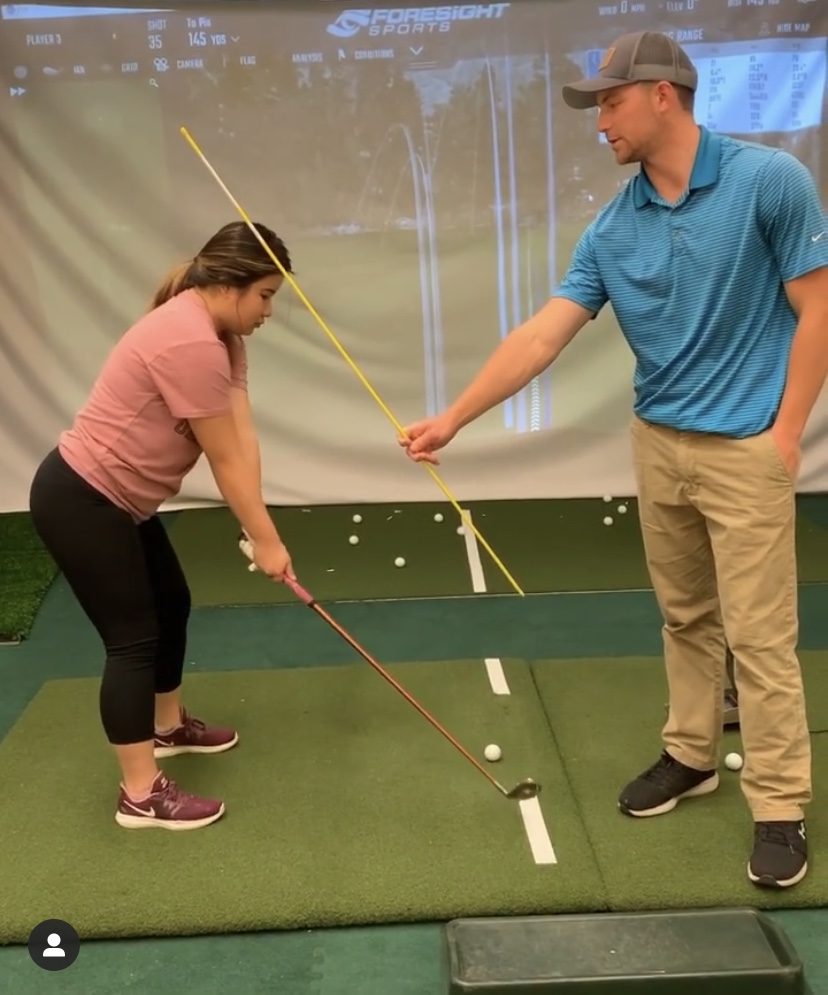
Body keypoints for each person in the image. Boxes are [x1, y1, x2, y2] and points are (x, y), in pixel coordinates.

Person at [400, 30, 828, 888]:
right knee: (685, 618)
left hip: (746, 449)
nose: (599, 121)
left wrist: (784, 436)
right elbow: (541, 336)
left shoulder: (768, 181)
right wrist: (454, 416)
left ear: (663, 93)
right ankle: (693, 755)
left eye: (609, 101)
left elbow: (816, 309)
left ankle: (780, 805)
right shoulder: (612, 226)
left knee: (761, 637)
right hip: (658, 445)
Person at [29, 220, 296, 831]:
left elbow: (242, 440)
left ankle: (167, 726)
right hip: (83, 497)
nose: (269, 310)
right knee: (131, 640)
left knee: (171, 601)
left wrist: (260, 525)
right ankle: (140, 794)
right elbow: (223, 458)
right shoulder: (189, 342)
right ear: (229, 285)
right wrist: (265, 539)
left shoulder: (223, 340)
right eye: (265, 294)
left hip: (121, 502)